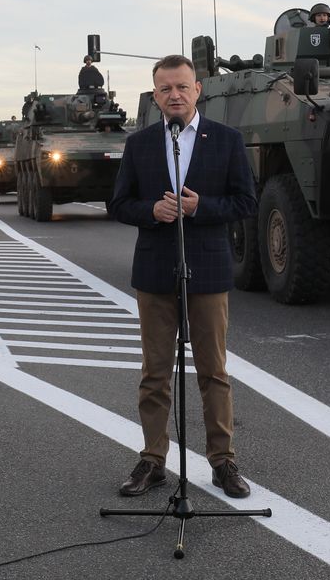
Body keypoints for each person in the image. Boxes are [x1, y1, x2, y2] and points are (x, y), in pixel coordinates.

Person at [109, 54, 257, 500]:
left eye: (182, 87)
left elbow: (245, 202)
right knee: (155, 372)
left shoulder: (227, 140)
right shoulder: (140, 145)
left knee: (213, 370)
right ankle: (153, 461)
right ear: (155, 96)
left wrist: (201, 207)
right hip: (155, 270)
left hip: (207, 269)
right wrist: (151, 211)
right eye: (165, 89)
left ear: (198, 91)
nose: (174, 95)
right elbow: (119, 204)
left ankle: (223, 460)